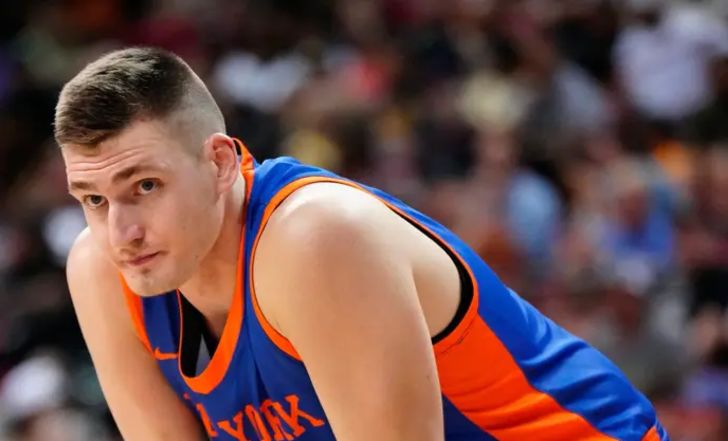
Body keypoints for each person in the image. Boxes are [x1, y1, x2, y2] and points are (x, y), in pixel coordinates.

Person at [54, 47, 669, 441]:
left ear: (218, 163)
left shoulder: (317, 238)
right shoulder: (102, 268)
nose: (122, 231)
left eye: (145, 186)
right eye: (93, 199)